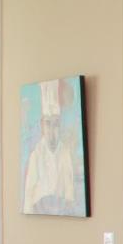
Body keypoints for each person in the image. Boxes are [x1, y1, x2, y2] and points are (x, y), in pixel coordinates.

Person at [22, 79, 79, 214]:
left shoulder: (65, 154)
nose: (52, 130)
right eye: (48, 124)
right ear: (42, 126)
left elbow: (69, 190)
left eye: (56, 124)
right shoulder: (36, 156)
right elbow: (29, 196)